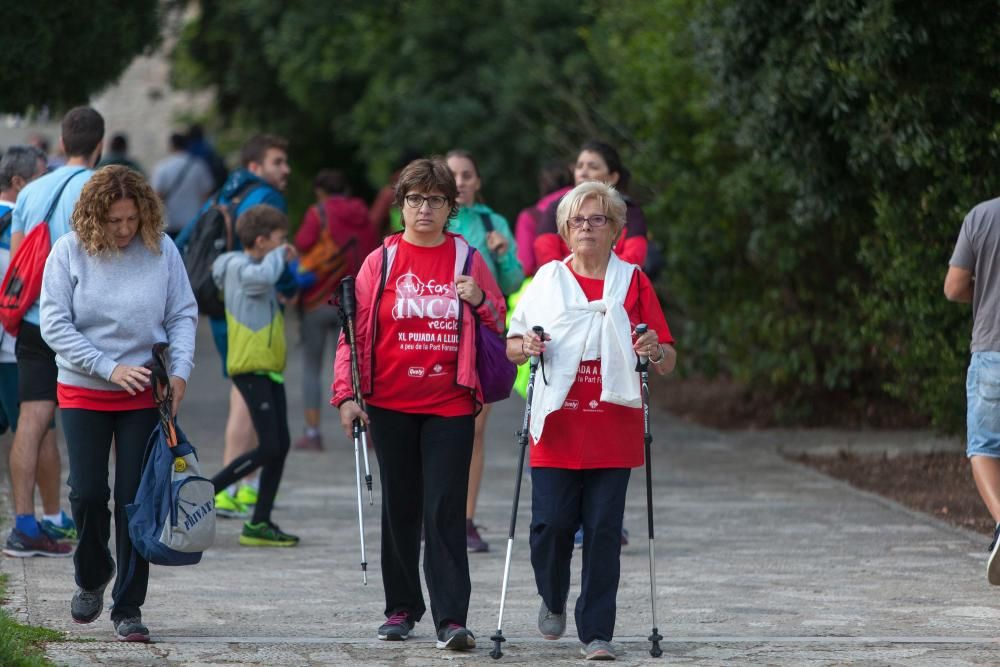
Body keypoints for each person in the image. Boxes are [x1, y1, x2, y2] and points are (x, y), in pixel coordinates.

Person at [334, 157, 505, 650]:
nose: (423, 208)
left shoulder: (468, 259)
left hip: (449, 403)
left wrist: (479, 301)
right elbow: (352, 333)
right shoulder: (380, 261)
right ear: (401, 206)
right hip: (389, 403)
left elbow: (499, 322)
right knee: (401, 508)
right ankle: (402, 608)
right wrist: (347, 396)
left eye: (435, 200)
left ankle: (452, 619)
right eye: (414, 199)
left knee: (445, 508)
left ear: (451, 207)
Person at [506, 180, 676, 661]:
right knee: (550, 527)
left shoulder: (634, 282)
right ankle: (553, 595)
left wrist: (653, 349)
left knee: (603, 531)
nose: (587, 227)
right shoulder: (547, 282)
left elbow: (668, 358)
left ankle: (597, 631)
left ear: (616, 229)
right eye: (578, 220)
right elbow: (514, 346)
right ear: (564, 229)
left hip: (612, 425)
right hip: (558, 426)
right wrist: (528, 346)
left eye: (598, 219)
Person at [39, 165, 197, 642]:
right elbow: (54, 326)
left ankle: (128, 605)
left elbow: (182, 313)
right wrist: (108, 367)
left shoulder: (161, 248)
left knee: (135, 501)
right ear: (94, 217)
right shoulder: (67, 252)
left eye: (132, 219)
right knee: (87, 493)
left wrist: (182, 372)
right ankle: (92, 573)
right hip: (85, 390)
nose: (125, 230)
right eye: (114, 222)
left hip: (145, 396)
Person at [175, 134, 293, 518]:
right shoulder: (265, 199)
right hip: (248, 322)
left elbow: (185, 238)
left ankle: (245, 496)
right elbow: (264, 267)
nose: (285, 169)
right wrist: (288, 279)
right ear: (256, 167)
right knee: (247, 394)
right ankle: (232, 490)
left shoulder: (222, 194)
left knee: (245, 396)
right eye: (278, 162)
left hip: (220, 303)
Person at [5, 106, 104, 558]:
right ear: (100, 145)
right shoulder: (102, 189)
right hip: (85, 327)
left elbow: (24, 258)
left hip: (33, 324)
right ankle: (84, 522)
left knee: (32, 421)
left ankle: (24, 524)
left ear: (61, 144)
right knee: (93, 422)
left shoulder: (33, 191)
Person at [445, 149, 523, 553]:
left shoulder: (494, 223)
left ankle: (466, 519)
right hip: (436, 333)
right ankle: (435, 516)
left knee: (474, 428)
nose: (459, 181)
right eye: (452, 174)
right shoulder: (432, 216)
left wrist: (502, 254)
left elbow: (512, 281)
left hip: (482, 334)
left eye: (467, 175)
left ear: (477, 182)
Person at [0, 145, 77, 556]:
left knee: (30, 425)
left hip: (15, 338)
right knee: (38, 426)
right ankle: (47, 517)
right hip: (16, 342)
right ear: (19, 182)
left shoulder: (19, 214)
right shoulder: (15, 218)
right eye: (41, 174)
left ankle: (35, 521)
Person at [210, 204, 299, 547]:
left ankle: (260, 521)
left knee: (281, 445)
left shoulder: (253, 266)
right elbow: (260, 280)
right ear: (261, 241)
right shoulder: (237, 266)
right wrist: (282, 257)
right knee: (270, 445)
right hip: (250, 367)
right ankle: (205, 493)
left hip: (267, 368)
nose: (284, 246)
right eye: (280, 240)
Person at [291, 169, 376, 451]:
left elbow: (303, 244)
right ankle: (370, 430)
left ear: (320, 191)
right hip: (354, 301)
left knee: (312, 368)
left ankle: (313, 433)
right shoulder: (364, 216)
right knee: (358, 367)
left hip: (318, 298)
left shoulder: (319, 213)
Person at [945, 196, 1000, 584]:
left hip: (992, 354)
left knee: (983, 447)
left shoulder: (981, 216)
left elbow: (953, 287)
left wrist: (982, 295)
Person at [534, 141, 649, 270]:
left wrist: (597, 278)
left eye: (593, 167)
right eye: (579, 166)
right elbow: (547, 258)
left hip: (618, 285)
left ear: (613, 177)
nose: (583, 173)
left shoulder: (631, 212)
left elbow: (634, 259)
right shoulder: (556, 209)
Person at [514, 160, 573, 278]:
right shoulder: (591, 203)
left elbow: (526, 265)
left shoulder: (530, 216)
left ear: (542, 184)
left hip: (550, 282)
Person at [151, 133, 214, 237]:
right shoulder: (199, 166)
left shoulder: (162, 168)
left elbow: (157, 196)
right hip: (193, 221)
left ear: (171, 146)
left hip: (170, 222)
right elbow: (207, 193)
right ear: (187, 145)